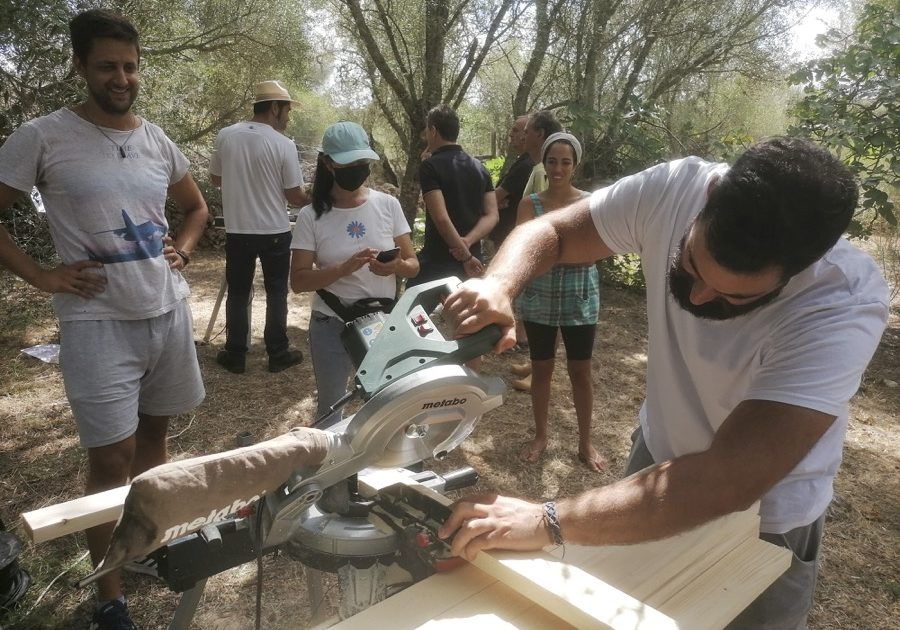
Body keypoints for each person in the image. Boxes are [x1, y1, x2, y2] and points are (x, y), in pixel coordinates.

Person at [438, 137, 889, 628]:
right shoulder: (675, 189)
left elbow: (728, 478)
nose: (698, 296)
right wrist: (500, 283)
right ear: (710, 198)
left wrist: (546, 520)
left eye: (736, 298)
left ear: (800, 271)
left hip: (767, 515)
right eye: (693, 263)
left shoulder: (842, 304)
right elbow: (556, 232)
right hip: (657, 457)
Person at [0, 9, 208, 629]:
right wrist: (41, 275)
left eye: (130, 67)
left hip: (166, 311)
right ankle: (109, 598)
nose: (121, 79)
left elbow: (195, 208)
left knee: (155, 441)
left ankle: (143, 547)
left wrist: (184, 249)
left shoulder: (156, 140)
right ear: (80, 66)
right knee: (111, 459)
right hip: (96, 324)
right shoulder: (43, 136)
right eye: (107, 67)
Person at [290, 122, 419, 424]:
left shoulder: (388, 205)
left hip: (382, 323)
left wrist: (396, 266)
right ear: (328, 163)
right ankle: (332, 454)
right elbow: (298, 280)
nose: (357, 169)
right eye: (348, 164)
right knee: (331, 410)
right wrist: (342, 269)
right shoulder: (311, 216)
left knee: (389, 406)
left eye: (362, 162)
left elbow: (413, 265)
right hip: (331, 324)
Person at [514, 133, 604, 472]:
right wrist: (569, 251)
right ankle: (540, 436)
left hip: (580, 298)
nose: (558, 169)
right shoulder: (529, 205)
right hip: (539, 297)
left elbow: (595, 252)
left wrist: (551, 252)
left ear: (575, 165)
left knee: (581, 371)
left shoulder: (590, 203)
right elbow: (524, 252)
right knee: (541, 370)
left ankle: (585, 442)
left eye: (566, 162)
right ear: (544, 163)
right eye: (552, 161)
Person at [210, 80, 308, 374]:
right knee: (276, 293)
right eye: (287, 111)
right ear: (275, 108)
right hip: (274, 231)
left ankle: (235, 354)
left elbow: (216, 179)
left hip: (238, 230)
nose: (288, 117)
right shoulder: (283, 144)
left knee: (238, 292)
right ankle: (277, 353)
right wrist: (316, 197)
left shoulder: (226, 136)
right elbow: (294, 196)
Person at [407, 104, 497, 287]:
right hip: (473, 262)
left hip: (440, 262)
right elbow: (492, 215)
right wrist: (467, 243)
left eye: (427, 130)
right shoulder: (480, 168)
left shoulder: (430, 167)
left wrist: (465, 256)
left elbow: (441, 218)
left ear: (433, 131)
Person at [490, 115, 534, 248]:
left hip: (510, 239)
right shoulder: (523, 161)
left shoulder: (526, 165)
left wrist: (493, 202)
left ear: (526, 134)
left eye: (515, 130)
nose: (510, 134)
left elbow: (494, 197)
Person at [521, 110, 563, 198]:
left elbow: (542, 205)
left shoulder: (541, 172)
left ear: (540, 134)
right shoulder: (540, 169)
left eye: (526, 132)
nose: (522, 138)